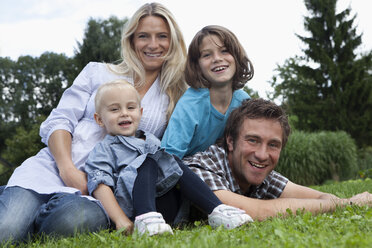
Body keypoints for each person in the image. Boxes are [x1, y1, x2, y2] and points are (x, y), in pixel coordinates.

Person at [0, 2, 188, 243]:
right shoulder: (98, 72)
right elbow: (60, 120)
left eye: (162, 36)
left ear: (172, 41)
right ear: (131, 40)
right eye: (144, 36)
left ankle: (27, 214)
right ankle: (19, 206)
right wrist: (67, 168)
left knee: (71, 223)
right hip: (50, 170)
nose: (153, 44)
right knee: (6, 231)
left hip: (99, 193)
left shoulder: (173, 97)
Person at [85, 80, 252, 236]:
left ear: (140, 112)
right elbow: (99, 183)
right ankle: (145, 217)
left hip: (166, 206)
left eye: (130, 108)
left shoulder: (151, 140)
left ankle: (217, 210)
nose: (124, 114)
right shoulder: (104, 149)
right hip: (134, 208)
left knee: (172, 161)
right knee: (150, 161)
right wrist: (120, 219)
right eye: (115, 109)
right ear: (99, 119)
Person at [184, 98, 372, 220]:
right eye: (252, 140)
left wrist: (338, 203)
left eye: (273, 144)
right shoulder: (202, 166)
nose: (262, 154)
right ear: (230, 142)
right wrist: (347, 204)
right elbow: (249, 212)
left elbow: (321, 197)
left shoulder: (262, 173)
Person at [161, 25, 254, 159]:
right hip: (185, 167)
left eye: (224, 51)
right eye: (206, 55)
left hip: (222, 165)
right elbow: (167, 159)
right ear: (197, 66)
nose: (217, 58)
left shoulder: (243, 102)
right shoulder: (191, 104)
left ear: (237, 55)